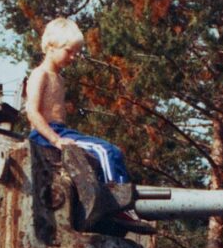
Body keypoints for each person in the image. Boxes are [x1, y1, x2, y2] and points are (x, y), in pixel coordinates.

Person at [24, 17, 151, 232]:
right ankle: (117, 206)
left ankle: (111, 203)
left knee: (112, 153)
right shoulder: (40, 74)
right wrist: (56, 140)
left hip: (60, 130)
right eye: (69, 51)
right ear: (51, 46)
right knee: (105, 151)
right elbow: (32, 113)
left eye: (75, 52)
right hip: (45, 134)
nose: (73, 57)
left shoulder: (59, 79)